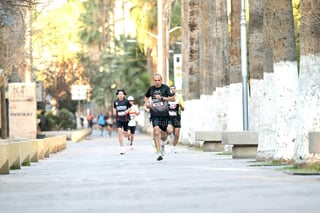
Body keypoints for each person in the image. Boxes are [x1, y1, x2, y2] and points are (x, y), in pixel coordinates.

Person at [144, 73, 175, 161]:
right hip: (155, 114)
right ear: (153, 81)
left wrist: (162, 98)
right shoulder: (151, 89)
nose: (157, 82)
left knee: (167, 132)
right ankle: (158, 153)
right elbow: (146, 97)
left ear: (161, 80)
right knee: (156, 132)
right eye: (155, 80)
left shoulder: (165, 88)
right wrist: (147, 103)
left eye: (159, 80)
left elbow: (173, 98)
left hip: (165, 114)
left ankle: (162, 145)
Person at [113, 89, 132, 154]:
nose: (120, 95)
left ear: (124, 95)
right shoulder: (116, 102)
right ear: (117, 95)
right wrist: (114, 112)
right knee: (119, 132)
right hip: (118, 119)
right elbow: (114, 108)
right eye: (119, 94)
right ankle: (122, 148)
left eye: (121, 94)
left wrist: (127, 111)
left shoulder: (126, 101)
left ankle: (128, 137)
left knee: (126, 134)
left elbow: (130, 107)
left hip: (125, 119)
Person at [167, 85, 185, 153]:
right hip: (169, 117)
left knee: (177, 134)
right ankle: (168, 136)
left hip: (177, 117)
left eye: (173, 89)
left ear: (176, 90)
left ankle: (173, 147)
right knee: (170, 130)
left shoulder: (179, 97)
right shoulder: (167, 97)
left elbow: (183, 109)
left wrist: (180, 105)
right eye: (171, 89)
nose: (172, 90)